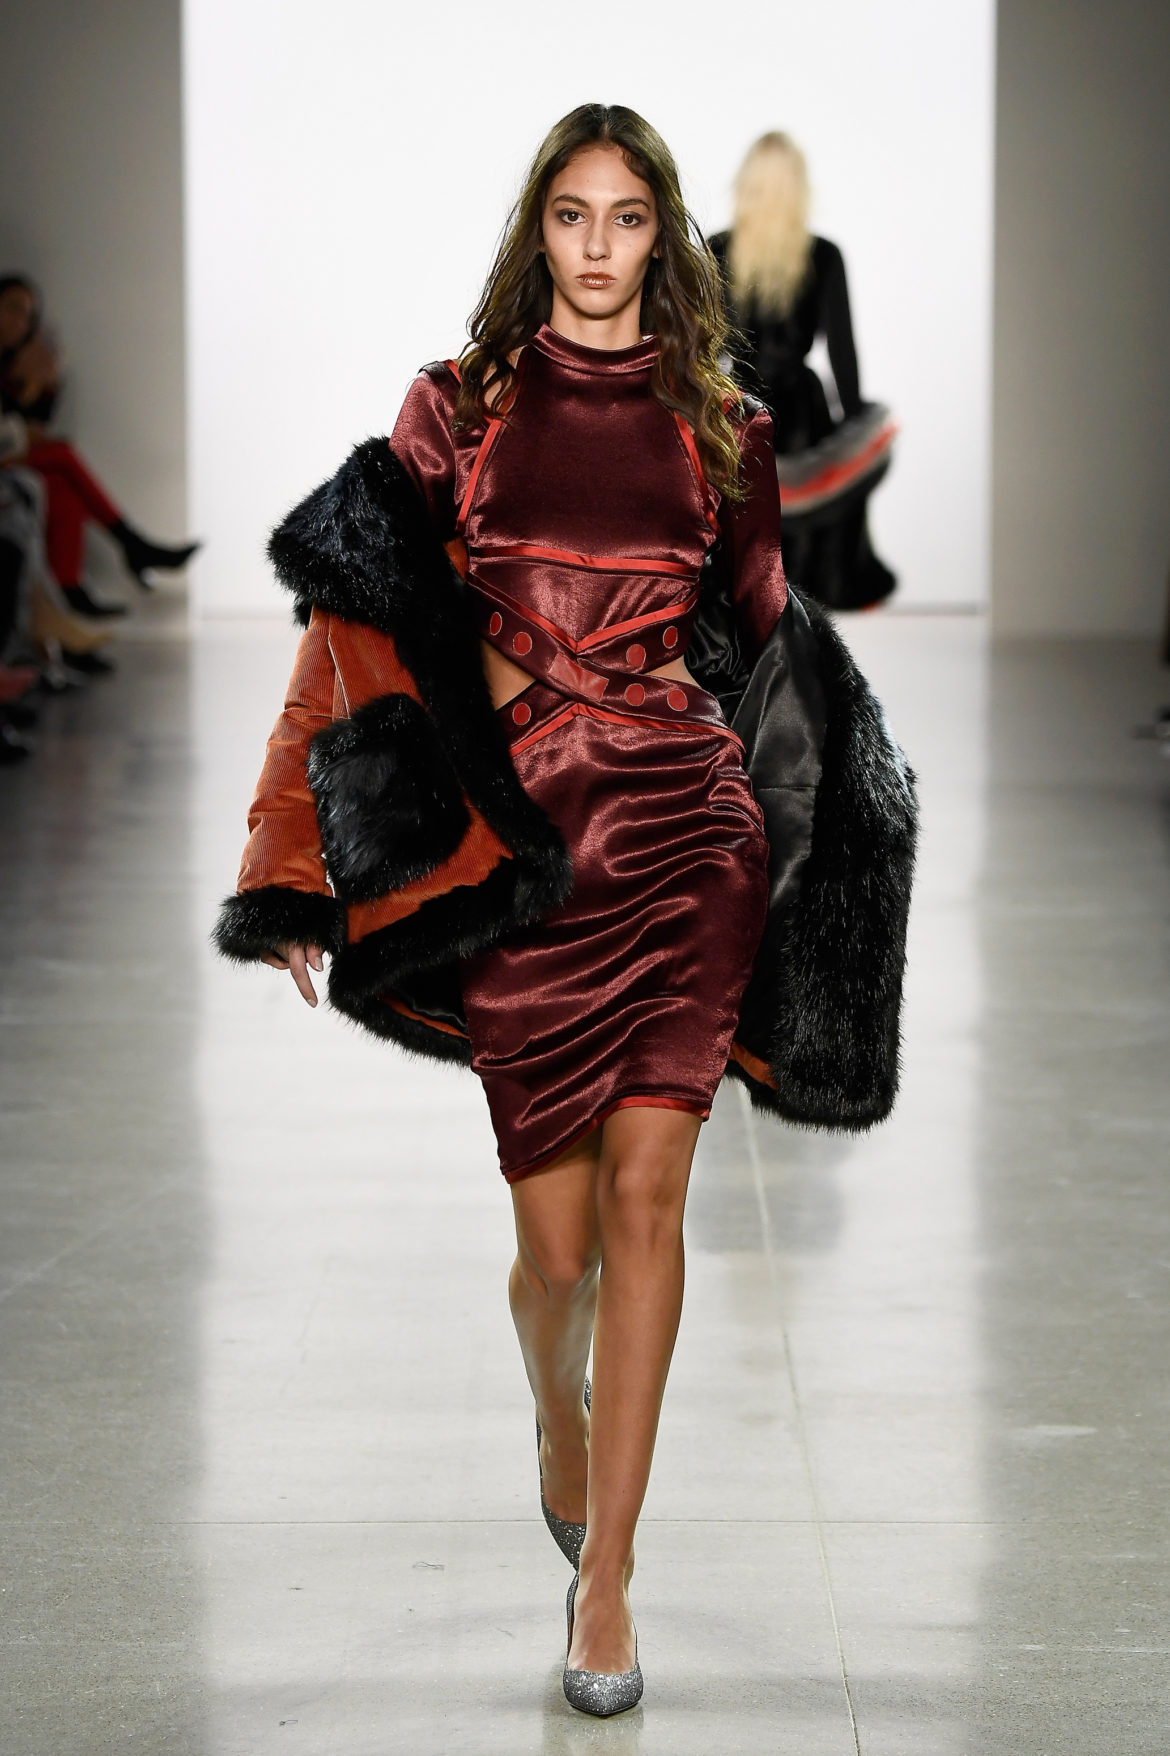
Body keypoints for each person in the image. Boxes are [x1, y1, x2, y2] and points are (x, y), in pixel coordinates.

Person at [214, 104, 916, 1717]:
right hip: (524, 850)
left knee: (650, 1202)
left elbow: (765, 644)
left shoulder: (719, 423)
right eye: (572, 216)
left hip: (685, 833)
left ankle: (607, 1582)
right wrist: (287, 861)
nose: (599, 247)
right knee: (553, 1252)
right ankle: (558, 1409)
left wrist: (837, 839)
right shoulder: (456, 407)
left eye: (628, 217)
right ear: (538, 229)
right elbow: (345, 628)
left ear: (664, 234)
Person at [709, 133, 897, 611]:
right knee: (806, 541)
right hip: (802, 411)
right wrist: (853, 425)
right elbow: (842, 351)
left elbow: (701, 347)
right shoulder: (824, 254)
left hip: (740, 406)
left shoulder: (717, 249)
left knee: (744, 536)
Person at [0, 274, 199, 617]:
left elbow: (33, 427)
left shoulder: (18, 362)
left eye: (28, 315)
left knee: (62, 486)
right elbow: (23, 434)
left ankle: (71, 594)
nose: (20, 321)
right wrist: (21, 429)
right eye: (13, 308)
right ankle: (132, 546)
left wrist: (37, 386)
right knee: (62, 454)